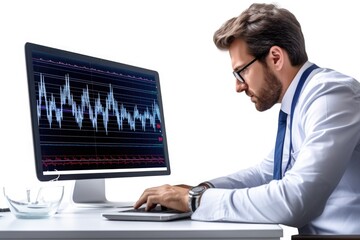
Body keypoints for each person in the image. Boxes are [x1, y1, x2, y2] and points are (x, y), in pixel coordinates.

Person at [134, 3, 360, 235]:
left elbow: (295, 201)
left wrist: (196, 201)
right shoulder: (301, 100)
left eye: (241, 71)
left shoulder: (330, 96)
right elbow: (266, 173)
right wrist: (200, 190)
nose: (238, 86)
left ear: (275, 57)